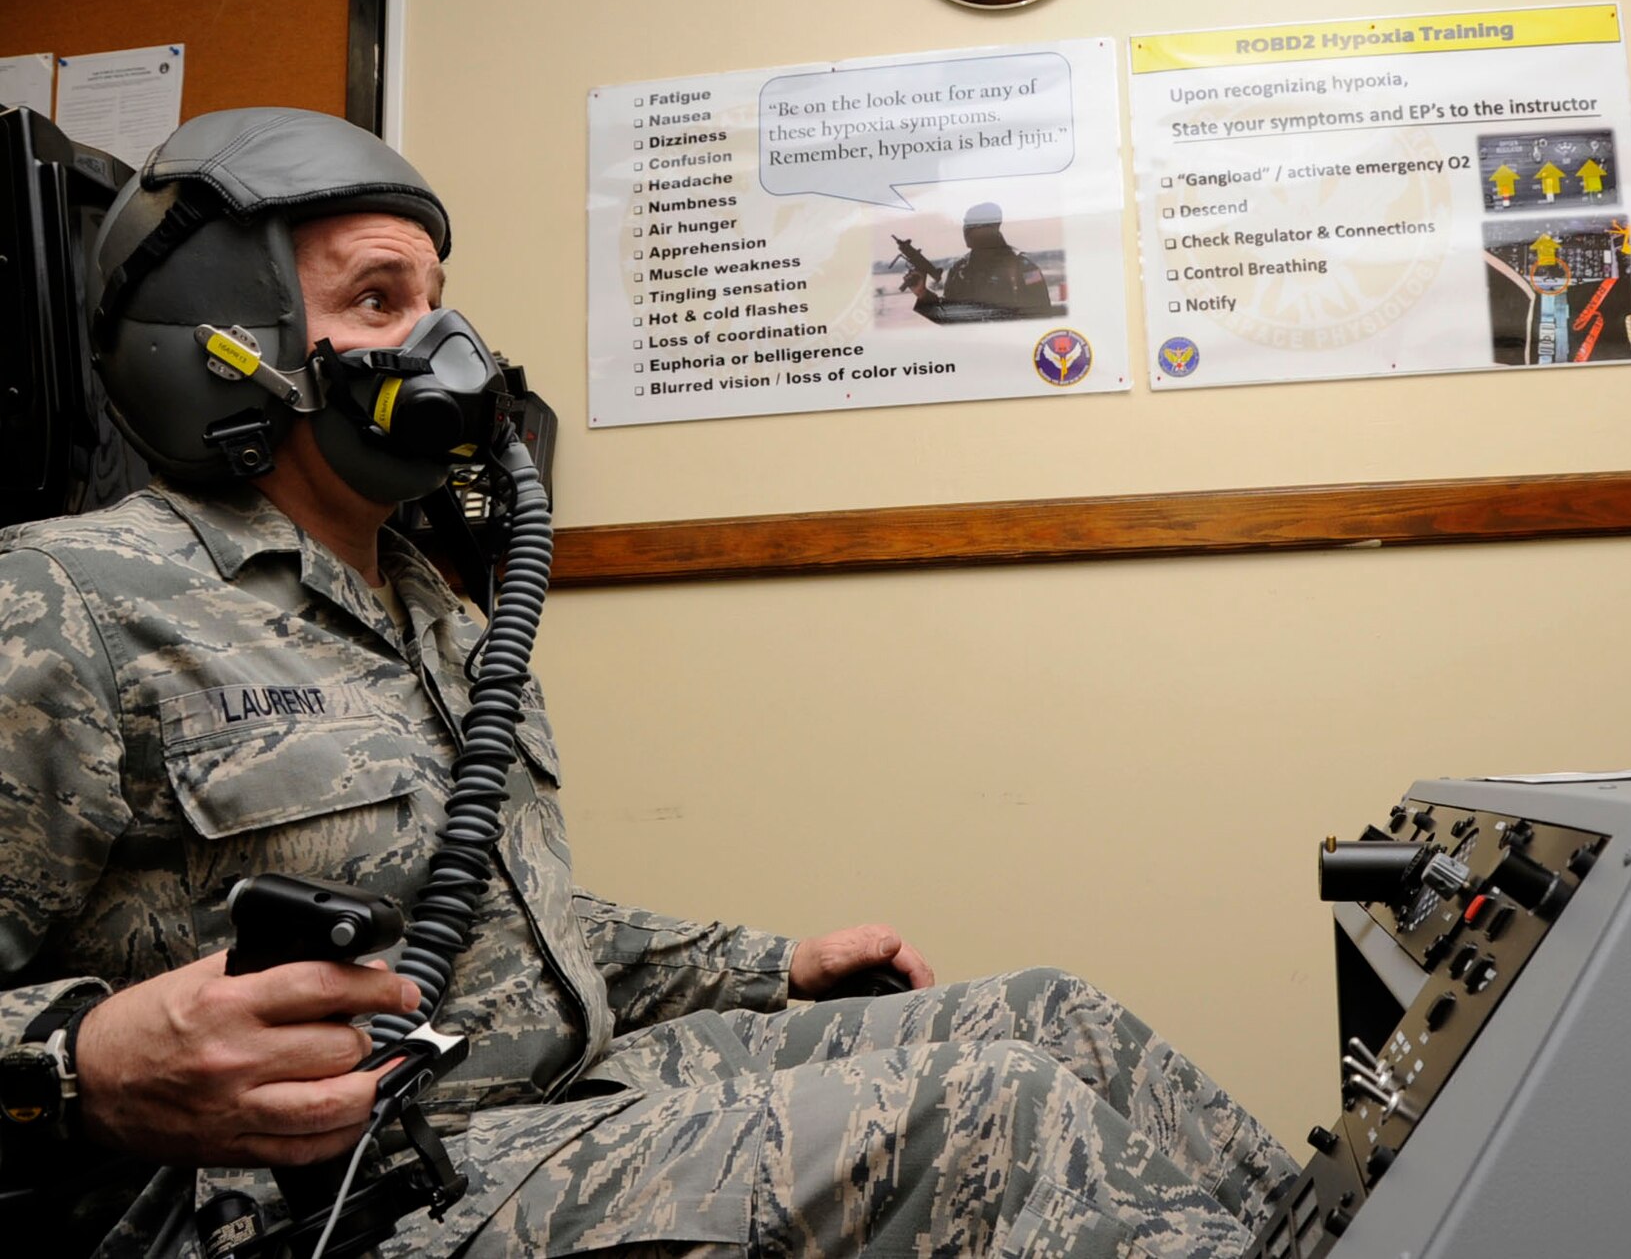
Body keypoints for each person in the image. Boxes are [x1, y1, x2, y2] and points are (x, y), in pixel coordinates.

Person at [0, 108, 1297, 1257]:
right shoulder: (69, 599)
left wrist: (774, 964)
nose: (447, 345)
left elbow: (491, 920)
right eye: (380, 300)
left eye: (441, 301)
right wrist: (79, 1062)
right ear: (226, 342)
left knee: (1051, 1017)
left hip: (557, 1101)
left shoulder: (428, 604)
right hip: (321, 1194)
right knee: (985, 1116)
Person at [904, 203, 1055, 324]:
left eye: (974, 225)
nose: (967, 230)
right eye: (966, 224)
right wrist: (922, 293)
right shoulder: (959, 270)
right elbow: (948, 318)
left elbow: (1042, 316)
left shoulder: (1026, 269)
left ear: (993, 227)